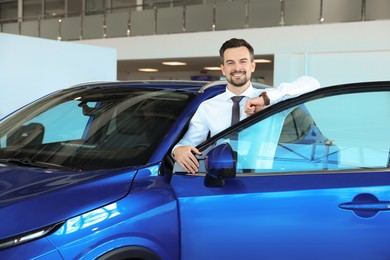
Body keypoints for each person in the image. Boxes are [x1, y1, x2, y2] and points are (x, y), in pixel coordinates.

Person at [172, 38, 319, 174]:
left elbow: (312, 83)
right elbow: (187, 143)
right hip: (222, 179)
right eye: (230, 63)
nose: (237, 68)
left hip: (260, 180)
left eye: (243, 61)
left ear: (252, 66)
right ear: (223, 69)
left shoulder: (272, 99)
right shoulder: (208, 107)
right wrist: (178, 150)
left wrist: (266, 99)